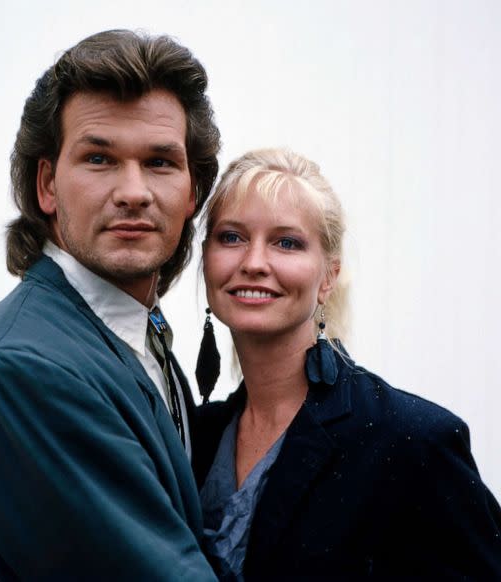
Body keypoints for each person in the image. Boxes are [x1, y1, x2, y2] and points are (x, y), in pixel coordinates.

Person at [0, 30, 220, 581]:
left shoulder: (138, 335)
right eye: (100, 158)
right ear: (47, 185)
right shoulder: (15, 370)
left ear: (192, 191)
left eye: (159, 162)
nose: (133, 191)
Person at [192, 148, 501, 580]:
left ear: (329, 276)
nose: (254, 262)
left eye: (287, 242)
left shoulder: (413, 442)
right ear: (205, 258)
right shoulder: (191, 433)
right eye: (232, 237)